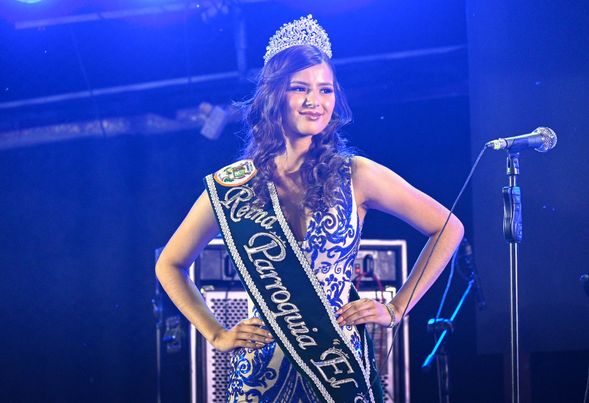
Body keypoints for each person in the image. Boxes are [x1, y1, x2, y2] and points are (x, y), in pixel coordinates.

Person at [156, 15, 464, 403]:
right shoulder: (234, 187)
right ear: (273, 96)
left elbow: (448, 227)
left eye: (325, 90)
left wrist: (397, 308)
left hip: (336, 369)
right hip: (260, 374)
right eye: (299, 88)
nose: (314, 101)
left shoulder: (357, 175)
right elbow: (169, 264)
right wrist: (216, 333)